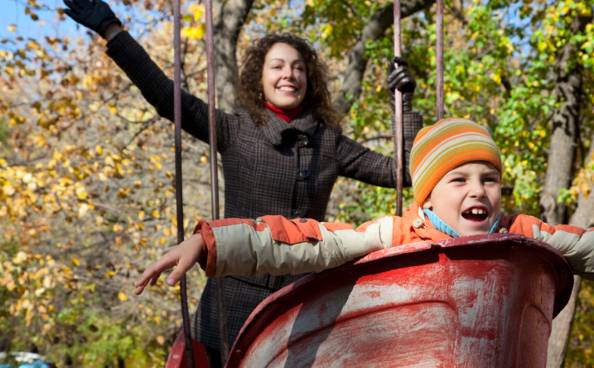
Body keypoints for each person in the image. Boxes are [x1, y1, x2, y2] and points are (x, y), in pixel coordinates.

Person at [62, 0, 424, 365]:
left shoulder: (329, 142)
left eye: (298, 68)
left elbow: (404, 174)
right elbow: (164, 96)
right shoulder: (235, 129)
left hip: (301, 303)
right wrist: (113, 32)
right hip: (230, 304)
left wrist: (405, 106)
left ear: (309, 79)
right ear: (259, 77)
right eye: (278, 66)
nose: (289, 75)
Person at [135, 117, 594, 293]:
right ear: (428, 195)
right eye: (458, 179)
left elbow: (585, 246)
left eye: (489, 179)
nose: (478, 190)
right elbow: (308, 243)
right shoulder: (398, 235)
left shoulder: (522, 236)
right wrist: (208, 242)